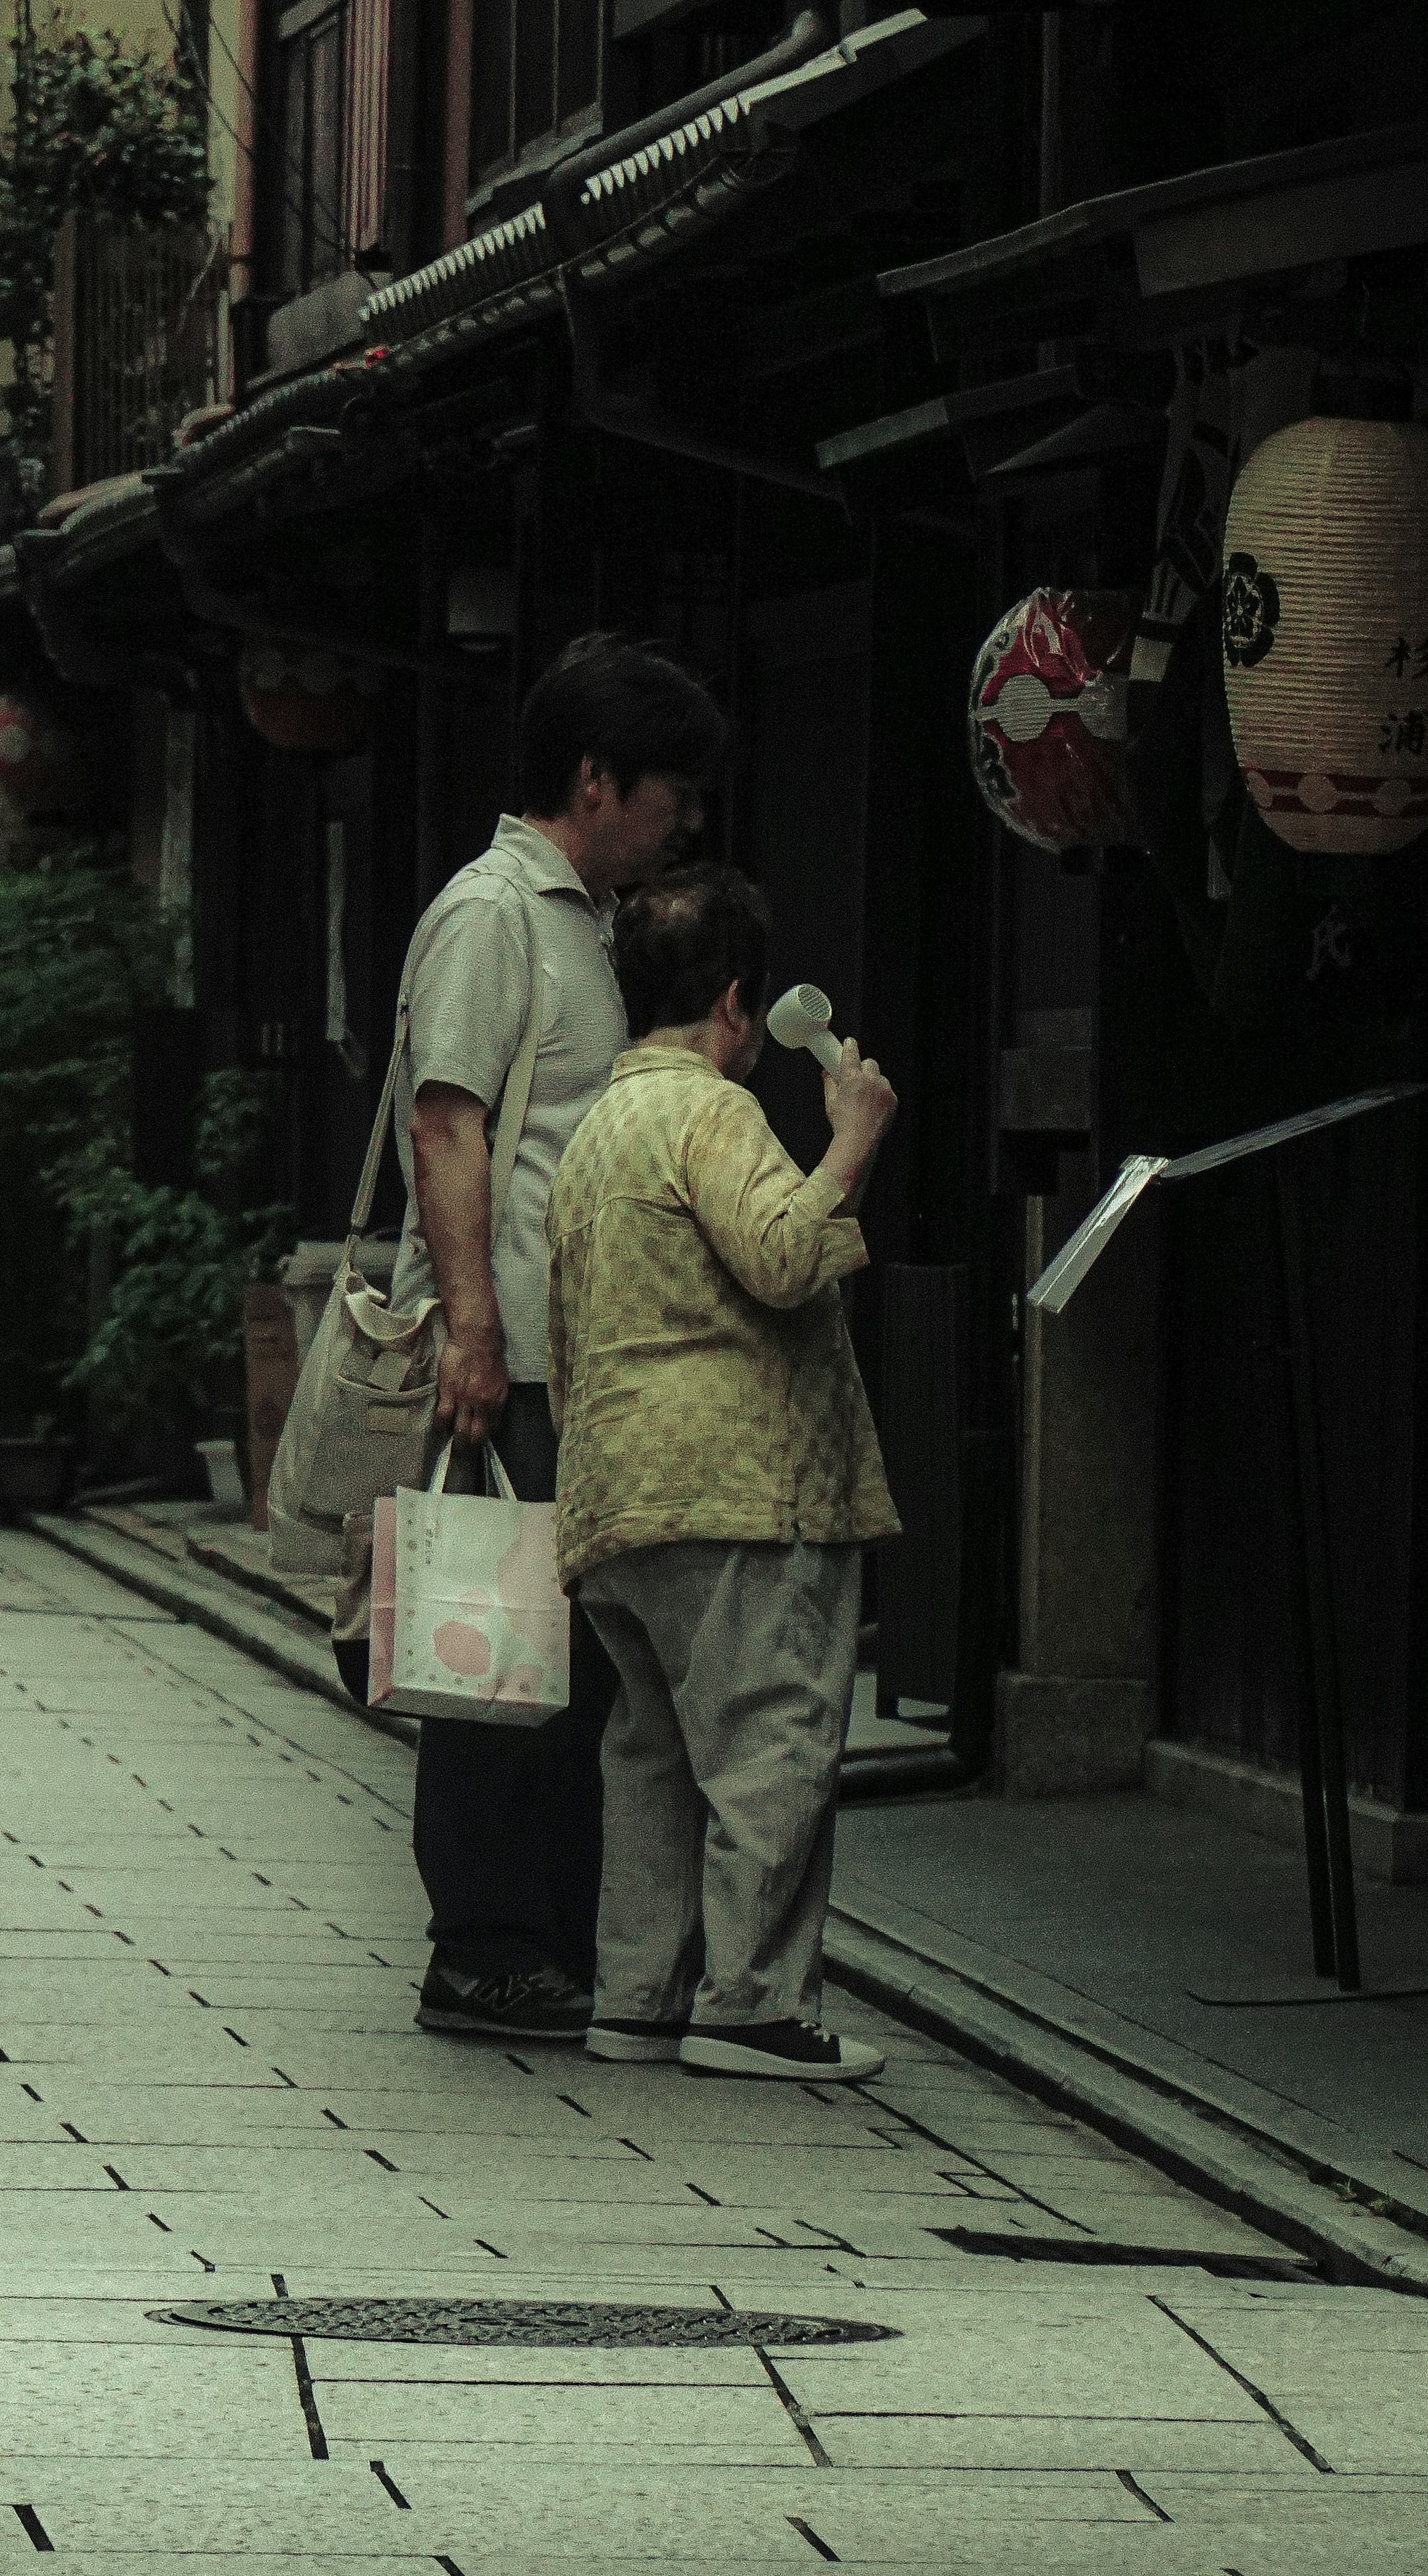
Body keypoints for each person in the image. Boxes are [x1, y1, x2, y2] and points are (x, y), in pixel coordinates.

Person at [381, 633, 728, 2045]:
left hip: (570, 1359)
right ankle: (485, 1945)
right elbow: (448, 1120)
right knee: (496, 1655)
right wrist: (474, 1332)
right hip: (510, 1355)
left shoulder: (581, 911)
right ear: (597, 779)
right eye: (670, 793)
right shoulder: (494, 914)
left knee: (561, 1665)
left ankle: (545, 1938)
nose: (686, 822)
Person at [545, 862, 900, 2084]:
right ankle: (752, 2004)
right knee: (771, 1738)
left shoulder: (596, 1127)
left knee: (650, 1753)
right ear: (740, 1005)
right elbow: (785, 1257)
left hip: (618, 1488)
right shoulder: (711, 1112)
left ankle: (638, 1992)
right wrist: (849, 1139)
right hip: (738, 1485)